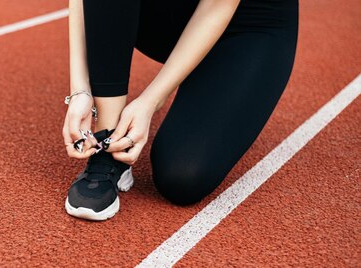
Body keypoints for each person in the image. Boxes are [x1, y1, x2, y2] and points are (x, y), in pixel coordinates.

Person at [62, 0, 298, 221]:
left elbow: (217, 7)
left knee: (182, 176)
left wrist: (151, 100)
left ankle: (211, 75)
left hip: (247, 25)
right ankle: (109, 145)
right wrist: (80, 89)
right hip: (169, 14)